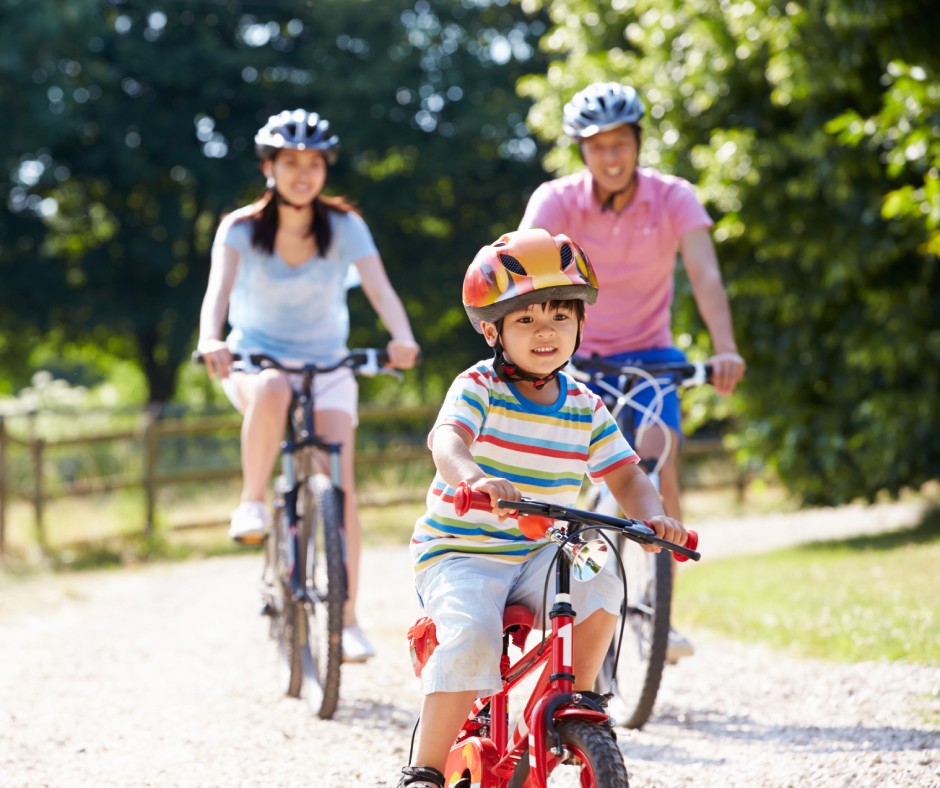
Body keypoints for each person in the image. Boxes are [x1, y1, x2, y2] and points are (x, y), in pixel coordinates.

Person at [397, 228, 687, 788]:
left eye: (559, 315)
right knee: (471, 636)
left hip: (541, 550)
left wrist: (652, 516)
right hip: (463, 552)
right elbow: (447, 442)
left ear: (581, 323)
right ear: (493, 330)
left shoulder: (584, 404)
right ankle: (425, 770)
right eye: (525, 319)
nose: (545, 331)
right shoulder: (478, 385)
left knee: (602, 572)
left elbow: (626, 473)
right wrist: (475, 478)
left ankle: (576, 701)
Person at [519, 81, 745, 660]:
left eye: (621, 143)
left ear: (638, 143)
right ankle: (583, 591)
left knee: (656, 449)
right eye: (598, 146)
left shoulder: (673, 198)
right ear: (582, 151)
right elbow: (524, 267)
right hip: (578, 356)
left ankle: (656, 609)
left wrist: (724, 347)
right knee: (576, 481)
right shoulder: (557, 199)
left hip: (650, 355)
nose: (611, 156)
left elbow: (706, 277)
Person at [197, 108, 420, 662]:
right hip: (256, 361)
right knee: (272, 388)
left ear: (325, 170)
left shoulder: (345, 226)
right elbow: (217, 293)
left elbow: (381, 289)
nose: (303, 173)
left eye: (314, 163)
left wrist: (402, 336)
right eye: (290, 162)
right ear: (269, 167)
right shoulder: (242, 228)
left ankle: (346, 621)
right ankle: (251, 503)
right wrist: (211, 338)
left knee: (338, 483)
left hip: (327, 366)